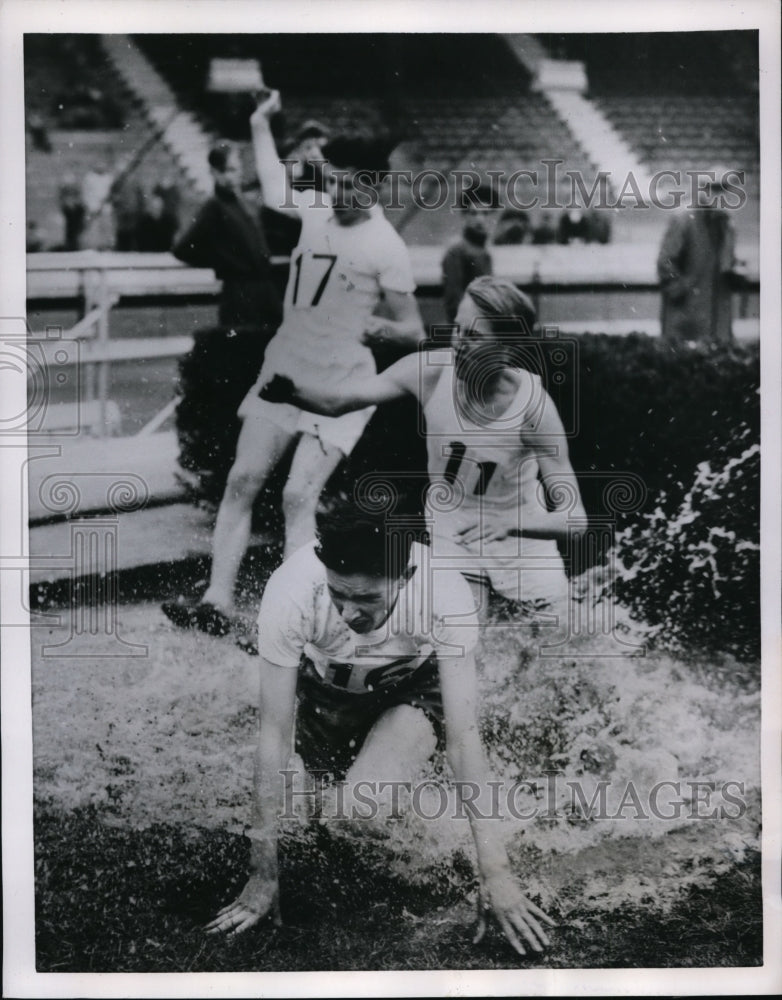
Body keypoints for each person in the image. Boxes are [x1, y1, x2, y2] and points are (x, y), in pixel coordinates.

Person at [204, 494, 556, 955]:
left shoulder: (443, 592)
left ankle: (398, 765)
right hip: (328, 691)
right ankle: (383, 771)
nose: (349, 614)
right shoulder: (291, 589)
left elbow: (464, 737)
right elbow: (273, 735)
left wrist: (496, 872)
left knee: (360, 812)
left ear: (405, 577)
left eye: (366, 598)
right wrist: (261, 872)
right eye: (339, 594)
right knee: (311, 831)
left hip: (410, 689)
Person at [163, 90, 423, 636]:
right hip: (285, 370)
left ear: (374, 184)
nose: (338, 192)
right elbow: (272, 177)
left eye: (351, 183)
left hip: (341, 383)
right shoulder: (315, 207)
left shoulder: (386, 247)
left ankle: (300, 617)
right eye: (332, 179)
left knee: (297, 495)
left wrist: (380, 326)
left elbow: (413, 329)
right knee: (242, 480)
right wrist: (261, 123)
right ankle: (217, 601)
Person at [262, 276, 586, 621]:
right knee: (463, 638)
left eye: (474, 337)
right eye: (457, 329)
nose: (458, 343)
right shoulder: (431, 372)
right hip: (454, 527)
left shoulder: (533, 408)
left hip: (522, 531)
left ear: (506, 348)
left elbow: (575, 520)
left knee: (553, 648)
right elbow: (342, 400)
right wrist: (289, 390)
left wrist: (514, 523)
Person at [173, 140, 282, 331]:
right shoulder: (215, 206)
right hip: (240, 294)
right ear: (215, 173)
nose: (237, 174)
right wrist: (224, 261)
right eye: (230, 170)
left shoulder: (243, 204)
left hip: (265, 291)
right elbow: (182, 249)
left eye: (237, 169)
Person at [657, 169, 743, 345]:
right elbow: (665, 262)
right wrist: (685, 290)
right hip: (687, 317)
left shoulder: (726, 223)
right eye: (713, 188)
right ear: (702, 190)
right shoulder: (683, 218)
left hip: (718, 317)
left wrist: (736, 270)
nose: (718, 194)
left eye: (723, 189)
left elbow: (726, 262)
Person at [441, 185, 496, 322]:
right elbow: (454, 302)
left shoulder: (485, 251)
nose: (479, 219)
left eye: (485, 213)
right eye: (473, 213)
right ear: (464, 216)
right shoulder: (456, 252)